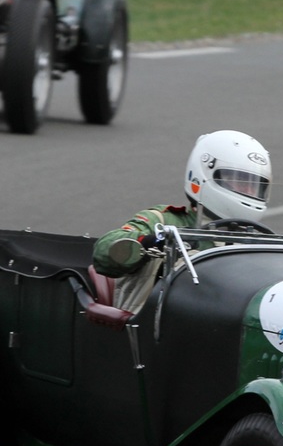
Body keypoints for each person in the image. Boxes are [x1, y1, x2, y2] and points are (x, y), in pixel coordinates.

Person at [93, 130, 272, 313]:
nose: (249, 189)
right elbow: (103, 253)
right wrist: (150, 242)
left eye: (256, 185)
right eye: (240, 181)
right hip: (152, 327)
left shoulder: (256, 243)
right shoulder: (164, 221)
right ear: (204, 175)